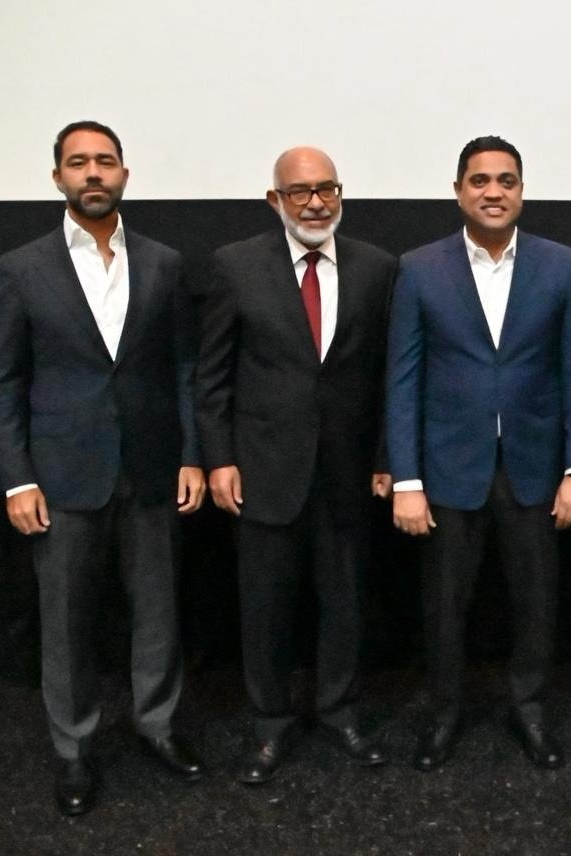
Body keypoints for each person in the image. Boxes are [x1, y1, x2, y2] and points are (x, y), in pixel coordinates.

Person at [0, 121, 206, 815]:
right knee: (66, 620)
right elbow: (3, 381)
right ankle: (74, 749)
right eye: (78, 163)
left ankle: (157, 724)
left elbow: (183, 368)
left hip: (151, 464)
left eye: (105, 161)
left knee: (158, 610)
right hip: (60, 472)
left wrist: (192, 455)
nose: (93, 173)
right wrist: (18, 477)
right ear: (57, 177)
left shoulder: (164, 263)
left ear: (124, 175)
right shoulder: (21, 267)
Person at [386, 135, 571, 771]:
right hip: (448, 467)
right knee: (445, 604)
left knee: (536, 601)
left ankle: (529, 709)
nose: (493, 191)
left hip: (536, 466)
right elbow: (403, 380)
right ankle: (444, 713)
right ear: (458, 191)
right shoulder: (419, 268)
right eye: (479, 181)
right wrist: (406, 479)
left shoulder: (561, 265)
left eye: (506, 180)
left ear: (522, 192)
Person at [196, 147, 397, 784]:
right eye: (300, 192)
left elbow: (390, 375)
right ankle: (270, 725)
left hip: (348, 469)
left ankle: (340, 712)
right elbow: (212, 375)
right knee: (265, 607)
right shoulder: (235, 266)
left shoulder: (377, 268)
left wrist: (387, 456)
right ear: (274, 200)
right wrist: (218, 458)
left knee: (346, 601)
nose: (315, 203)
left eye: (327, 189)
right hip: (262, 469)